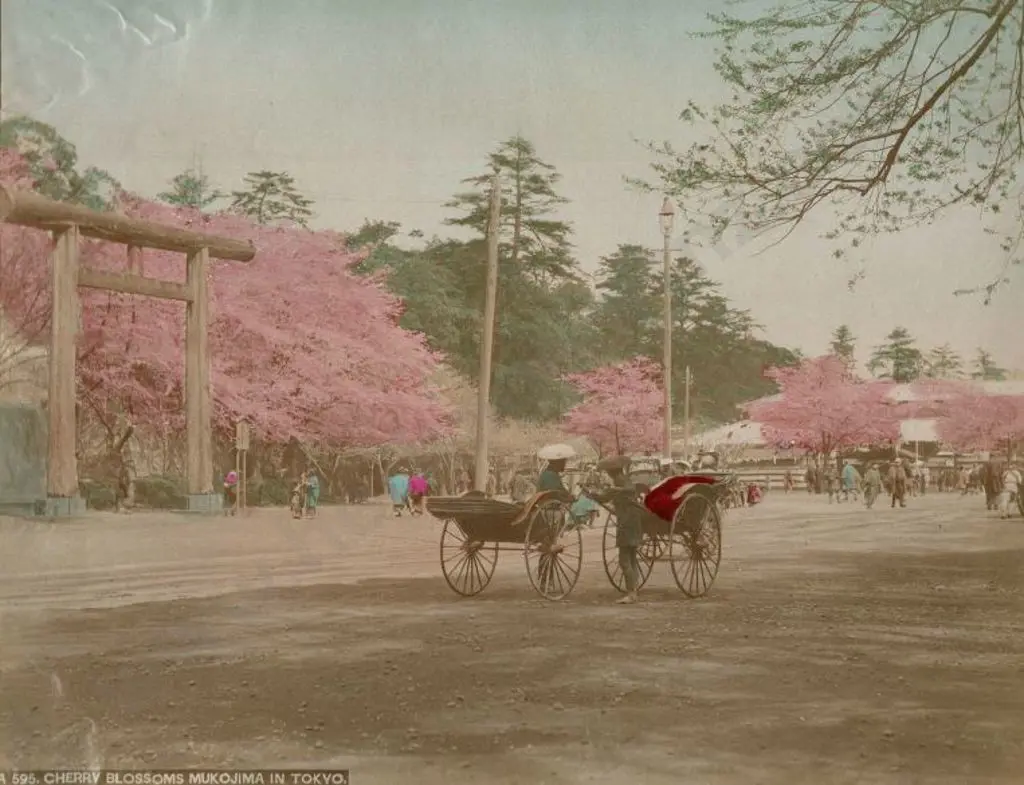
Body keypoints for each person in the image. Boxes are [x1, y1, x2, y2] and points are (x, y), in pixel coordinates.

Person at [588, 455, 643, 605]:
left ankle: (631, 593)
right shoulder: (626, 481)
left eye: (609, 473)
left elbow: (604, 497)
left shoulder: (619, 485)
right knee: (632, 558)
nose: (609, 476)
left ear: (613, 473)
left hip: (626, 524)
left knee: (624, 560)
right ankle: (634, 590)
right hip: (635, 522)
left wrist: (591, 494)